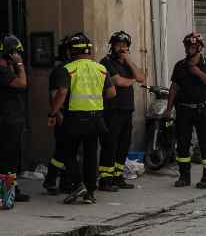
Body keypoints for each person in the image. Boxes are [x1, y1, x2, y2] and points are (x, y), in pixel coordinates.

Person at [48, 32, 116, 205]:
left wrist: (53, 113)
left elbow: (62, 92)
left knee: (68, 152)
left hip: (75, 118)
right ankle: (90, 193)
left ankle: (78, 184)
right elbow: (111, 93)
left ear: (71, 51)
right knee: (91, 155)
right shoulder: (101, 69)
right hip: (96, 119)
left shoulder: (68, 69)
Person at [164, 32, 206, 189]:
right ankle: (184, 177)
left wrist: (198, 72)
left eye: (193, 46)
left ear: (199, 48)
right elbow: (174, 87)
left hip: (203, 110)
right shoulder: (179, 66)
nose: (189, 49)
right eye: (187, 46)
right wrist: (169, 109)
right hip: (183, 111)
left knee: (205, 144)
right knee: (182, 144)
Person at [98, 31, 145, 192]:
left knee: (123, 145)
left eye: (125, 46)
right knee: (110, 145)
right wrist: (132, 80)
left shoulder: (127, 63)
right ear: (112, 46)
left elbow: (141, 77)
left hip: (126, 109)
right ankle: (105, 180)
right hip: (112, 110)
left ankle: (118, 177)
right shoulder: (106, 62)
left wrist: (129, 60)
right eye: (119, 45)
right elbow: (119, 81)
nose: (122, 48)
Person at [0, 34, 30, 203]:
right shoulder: (1, 70)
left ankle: (2, 188)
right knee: (9, 157)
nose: (19, 56)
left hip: (6, 118)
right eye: (17, 53)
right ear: (11, 53)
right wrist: (19, 65)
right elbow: (22, 84)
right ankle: (8, 190)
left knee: (5, 156)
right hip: (7, 119)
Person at [43, 37, 72, 196]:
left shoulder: (73, 68)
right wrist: (57, 113)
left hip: (75, 115)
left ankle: (54, 179)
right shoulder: (60, 71)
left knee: (64, 151)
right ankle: (56, 180)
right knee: (64, 150)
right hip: (64, 115)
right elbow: (55, 94)